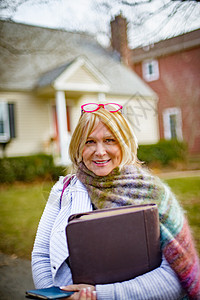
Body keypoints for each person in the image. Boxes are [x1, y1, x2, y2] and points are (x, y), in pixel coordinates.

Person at [32, 103, 200, 300]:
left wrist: (99, 295)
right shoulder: (61, 191)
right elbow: (42, 256)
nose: (100, 151)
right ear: (78, 146)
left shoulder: (154, 193)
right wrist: (61, 296)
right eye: (89, 141)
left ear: (124, 143)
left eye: (109, 140)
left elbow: (175, 278)